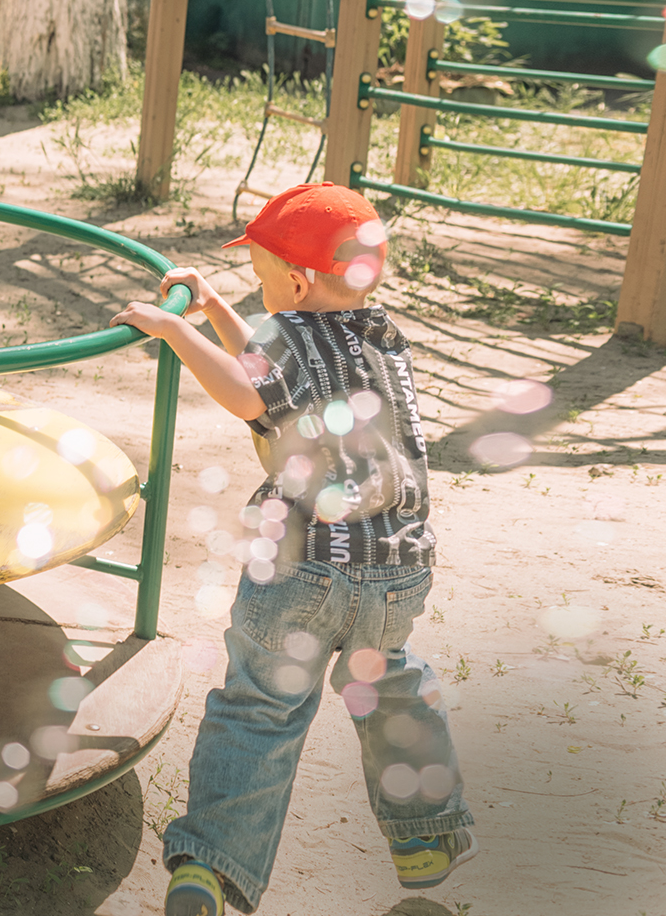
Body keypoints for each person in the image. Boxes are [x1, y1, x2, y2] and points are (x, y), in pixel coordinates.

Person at [111, 183, 474, 916]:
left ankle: (209, 869)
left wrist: (179, 333)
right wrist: (215, 304)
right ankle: (424, 832)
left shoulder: (283, 339)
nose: (258, 287)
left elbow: (253, 391)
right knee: (387, 678)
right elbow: (283, 369)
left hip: (305, 567)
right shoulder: (382, 339)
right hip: (397, 567)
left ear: (299, 281)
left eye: (263, 274)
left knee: (260, 708)